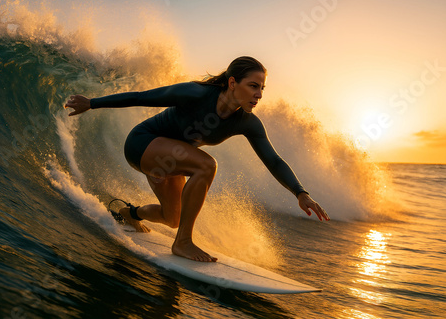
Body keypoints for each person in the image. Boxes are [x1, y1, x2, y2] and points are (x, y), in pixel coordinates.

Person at [65, 56, 330, 262]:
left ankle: (129, 213)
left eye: (262, 88)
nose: (259, 94)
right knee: (207, 165)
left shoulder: (248, 123)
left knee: (173, 218)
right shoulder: (195, 94)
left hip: (172, 160)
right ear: (232, 82)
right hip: (142, 144)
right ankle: (182, 243)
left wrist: (300, 192)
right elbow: (142, 97)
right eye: (253, 86)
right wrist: (93, 103)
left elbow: (273, 160)